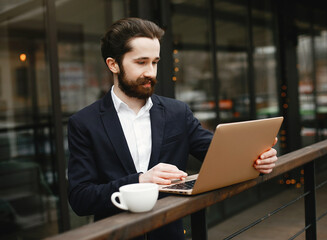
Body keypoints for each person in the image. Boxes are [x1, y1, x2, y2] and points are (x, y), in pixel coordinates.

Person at [67, 17, 278, 240]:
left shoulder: (177, 112)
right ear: (113, 64)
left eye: (155, 62)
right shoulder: (84, 123)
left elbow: (219, 154)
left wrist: (257, 158)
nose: (151, 72)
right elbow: (81, 199)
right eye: (141, 62)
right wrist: (140, 180)